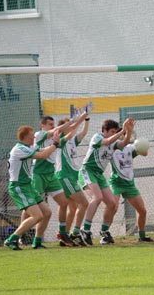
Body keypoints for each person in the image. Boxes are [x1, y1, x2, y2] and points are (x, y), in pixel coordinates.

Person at [78, 117, 135, 245]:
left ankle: (104, 232)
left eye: (116, 131)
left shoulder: (113, 142)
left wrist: (129, 131)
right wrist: (122, 131)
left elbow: (123, 143)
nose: (114, 134)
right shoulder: (97, 137)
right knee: (97, 197)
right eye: (112, 131)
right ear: (104, 130)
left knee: (112, 203)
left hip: (98, 174)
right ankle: (85, 229)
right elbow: (108, 140)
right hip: (88, 171)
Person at [4, 125, 60, 250]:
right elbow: (42, 156)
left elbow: (41, 151)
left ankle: (37, 241)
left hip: (28, 185)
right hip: (19, 187)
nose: (33, 137)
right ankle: (12, 239)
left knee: (47, 213)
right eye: (31, 135)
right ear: (25, 137)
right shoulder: (19, 149)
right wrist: (55, 144)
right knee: (37, 216)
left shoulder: (25, 147)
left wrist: (54, 144)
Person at [33, 115, 82, 247]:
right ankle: (19, 236)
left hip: (51, 174)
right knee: (33, 207)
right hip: (38, 174)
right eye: (50, 124)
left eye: (53, 125)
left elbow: (70, 133)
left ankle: (62, 233)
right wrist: (72, 120)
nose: (53, 127)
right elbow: (63, 128)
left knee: (64, 202)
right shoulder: (40, 135)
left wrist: (82, 118)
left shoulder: (56, 138)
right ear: (42, 126)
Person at [55, 105, 91, 246]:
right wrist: (79, 118)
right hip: (65, 176)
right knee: (84, 203)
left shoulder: (71, 141)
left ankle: (64, 236)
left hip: (71, 176)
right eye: (68, 126)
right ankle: (75, 233)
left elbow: (83, 132)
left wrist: (86, 118)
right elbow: (74, 128)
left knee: (73, 207)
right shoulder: (61, 140)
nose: (71, 127)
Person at [109, 136, 154, 242]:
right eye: (120, 135)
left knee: (142, 211)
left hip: (129, 185)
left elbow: (145, 153)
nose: (123, 138)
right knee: (113, 208)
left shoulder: (129, 148)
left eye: (125, 136)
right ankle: (104, 233)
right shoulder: (112, 149)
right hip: (116, 183)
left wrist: (141, 146)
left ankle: (142, 236)